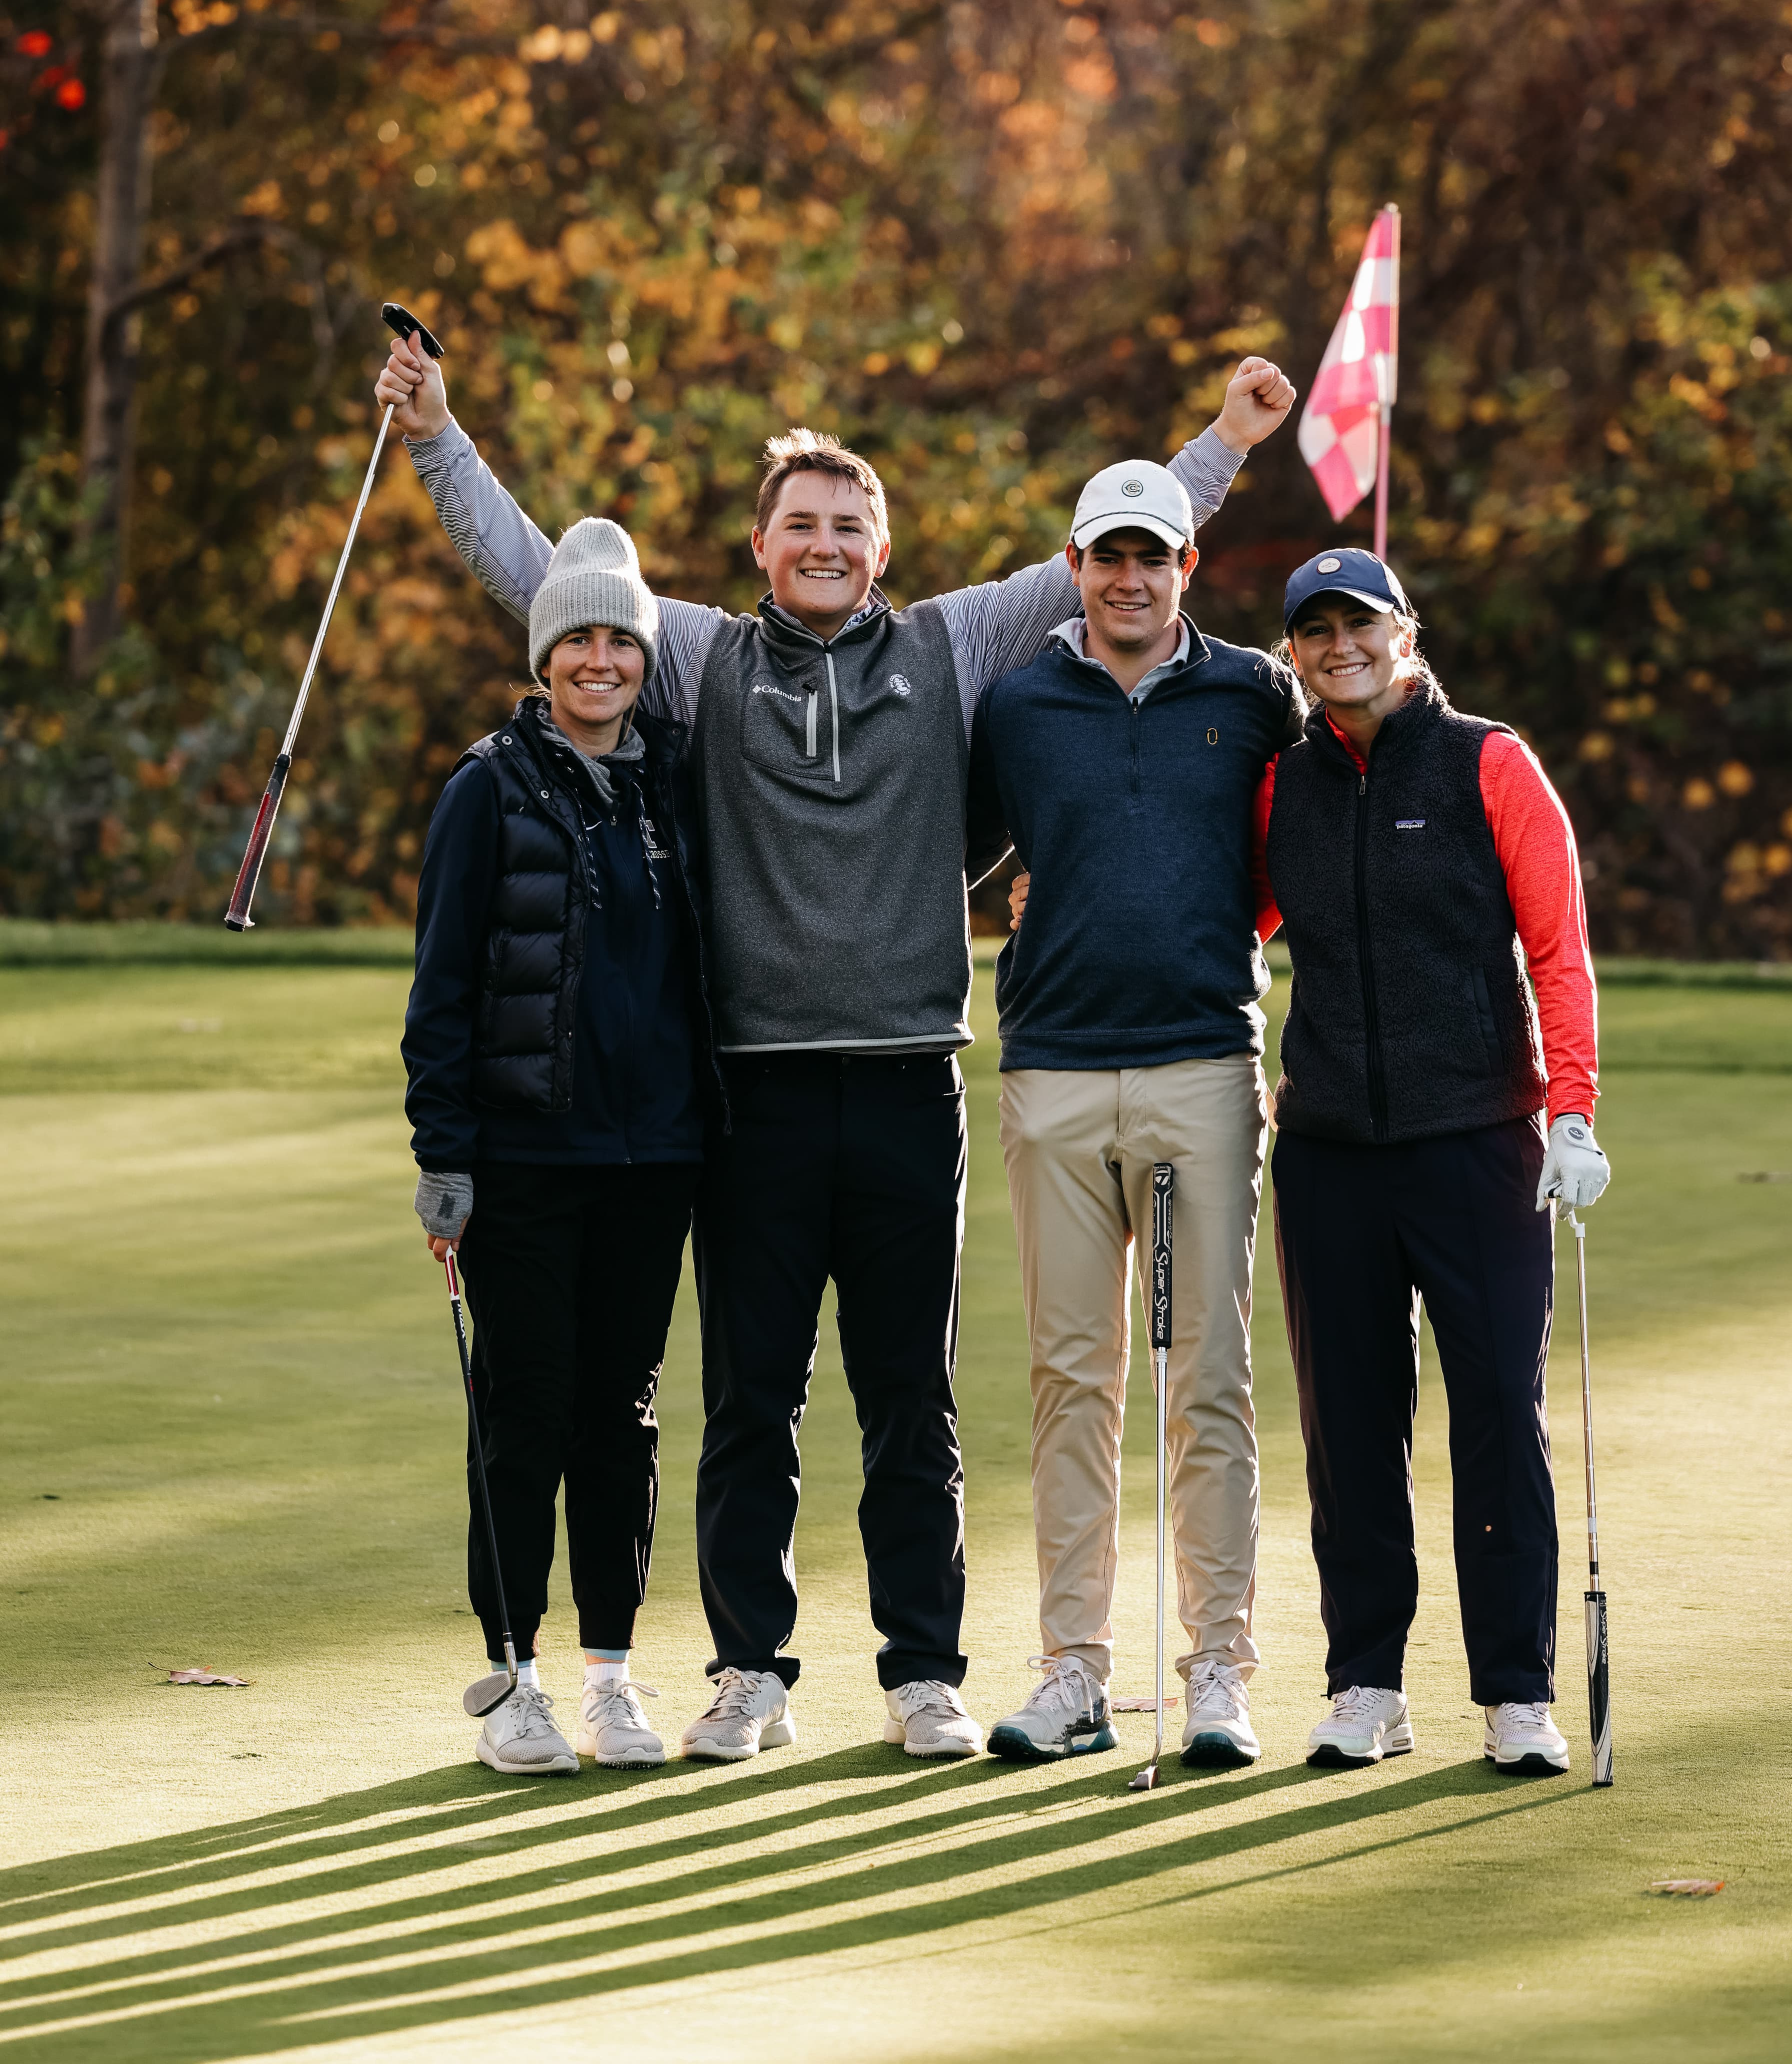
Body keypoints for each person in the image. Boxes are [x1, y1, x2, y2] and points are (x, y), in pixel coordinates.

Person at [376, 330, 1294, 1763]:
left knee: (907, 1397)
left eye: (848, 527)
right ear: (760, 545)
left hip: (909, 1078)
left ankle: (923, 1671)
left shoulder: (952, 640)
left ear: (882, 549)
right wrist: (439, 436)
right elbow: (546, 580)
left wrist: (1228, 440)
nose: (825, 543)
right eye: (799, 524)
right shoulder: (703, 658)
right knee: (753, 1395)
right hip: (756, 1091)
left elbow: (1118, 559)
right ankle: (752, 1673)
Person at [967, 454, 1302, 1770]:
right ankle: (1072, 1672)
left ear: (1185, 569)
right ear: (1077, 567)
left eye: (1151, 556)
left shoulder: (1250, 691)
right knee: (1071, 1382)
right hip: (1051, 1071)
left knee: (1205, 1380)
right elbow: (967, 852)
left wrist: (1229, 926)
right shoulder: (1017, 704)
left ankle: (1217, 1666)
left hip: (1203, 1071)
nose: (1129, 578)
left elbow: (1304, 834)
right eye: (1109, 556)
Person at [1254, 547, 1611, 1776]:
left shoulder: (1488, 761)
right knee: (1349, 1431)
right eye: (1316, 631)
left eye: (1361, 624)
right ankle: (1366, 1685)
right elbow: (1224, 923)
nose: (1339, 646)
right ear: (1294, 651)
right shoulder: (1280, 786)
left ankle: (1516, 1693)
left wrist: (1572, 1114)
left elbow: (1559, 951)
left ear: (1405, 634)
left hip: (1478, 1143)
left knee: (1498, 1423)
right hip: (1331, 1150)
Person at [403, 517, 718, 1774]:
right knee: (522, 1414)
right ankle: (516, 1678)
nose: (600, 660)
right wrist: (446, 1156)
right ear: (543, 658)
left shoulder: (675, 782)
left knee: (621, 1417)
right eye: (576, 638)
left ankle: (610, 1680)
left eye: (619, 640)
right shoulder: (485, 788)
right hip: (529, 1163)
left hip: (657, 1161)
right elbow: (441, 995)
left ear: (644, 655)